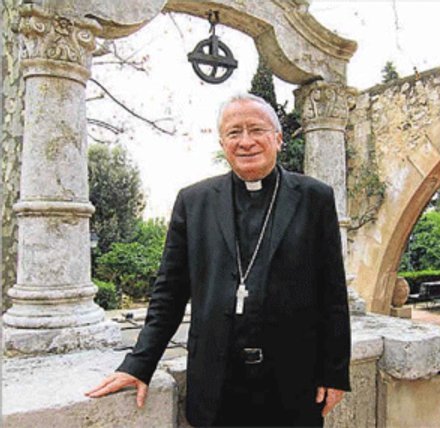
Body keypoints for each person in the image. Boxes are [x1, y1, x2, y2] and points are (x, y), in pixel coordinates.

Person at [86, 93, 351, 427]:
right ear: (222, 143)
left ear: (278, 138)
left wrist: (334, 372)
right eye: (234, 132)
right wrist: (139, 364)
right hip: (216, 384)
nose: (246, 141)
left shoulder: (314, 197)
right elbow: (169, 293)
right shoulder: (194, 201)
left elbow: (332, 293)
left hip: (294, 383)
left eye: (256, 130)